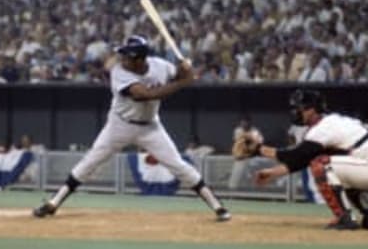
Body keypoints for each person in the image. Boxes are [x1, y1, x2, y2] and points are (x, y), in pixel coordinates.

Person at [32, 35, 231, 221]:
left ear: (139, 59)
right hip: (119, 125)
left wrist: (185, 69)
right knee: (90, 162)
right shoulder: (119, 72)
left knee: (178, 166)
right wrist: (182, 83)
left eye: (127, 56)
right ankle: (53, 203)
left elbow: (179, 75)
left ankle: (217, 207)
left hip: (150, 127)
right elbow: (145, 95)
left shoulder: (160, 66)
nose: (122, 59)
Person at [244, 90, 368, 230]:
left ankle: (344, 217)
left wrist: (259, 149)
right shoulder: (334, 122)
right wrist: (273, 173)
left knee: (322, 165)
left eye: (299, 108)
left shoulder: (323, 127)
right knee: (337, 173)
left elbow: (296, 155)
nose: (296, 111)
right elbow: (303, 159)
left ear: (312, 110)